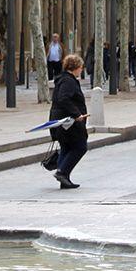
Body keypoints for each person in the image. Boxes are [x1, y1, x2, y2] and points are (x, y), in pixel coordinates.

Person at [46, 53, 90, 189]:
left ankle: (64, 178)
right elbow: (64, 98)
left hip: (61, 121)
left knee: (67, 146)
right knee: (80, 146)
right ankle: (62, 172)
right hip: (68, 122)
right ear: (75, 67)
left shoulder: (64, 79)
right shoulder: (68, 81)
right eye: (80, 67)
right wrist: (77, 114)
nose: (81, 70)